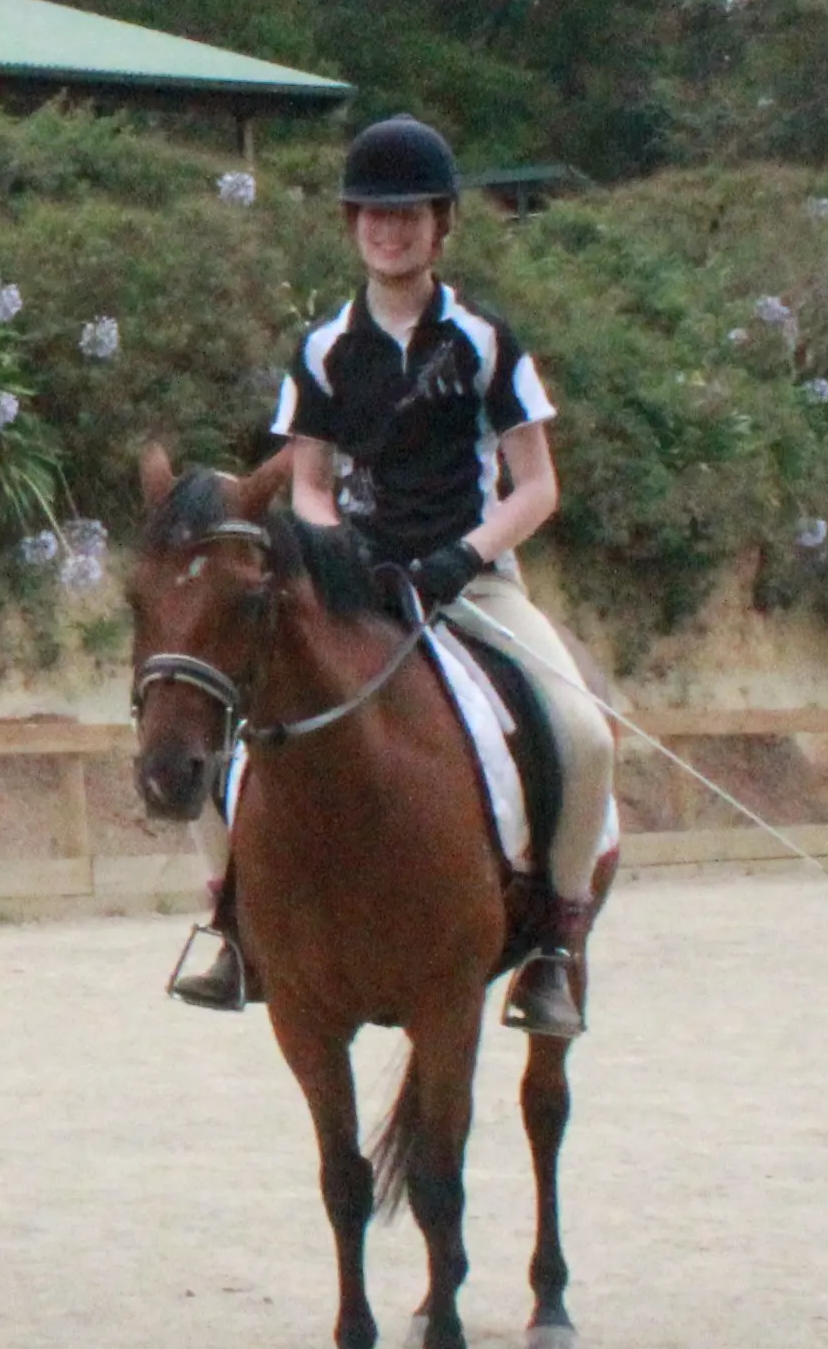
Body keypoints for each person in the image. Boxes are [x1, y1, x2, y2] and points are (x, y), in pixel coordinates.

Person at [173, 112, 619, 1037]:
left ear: (440, 223)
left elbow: (538, 485)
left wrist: (467, 553)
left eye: (409, 213)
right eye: (374, 214)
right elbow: (308, 481)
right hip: (357, 584)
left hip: (476, 579)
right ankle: (233, 926)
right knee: (227, 723)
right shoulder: (325, 349)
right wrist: (337, 550)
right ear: (353, 225)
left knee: (584, 736)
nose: (391, 229)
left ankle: (554, 948)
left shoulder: (488, 343)